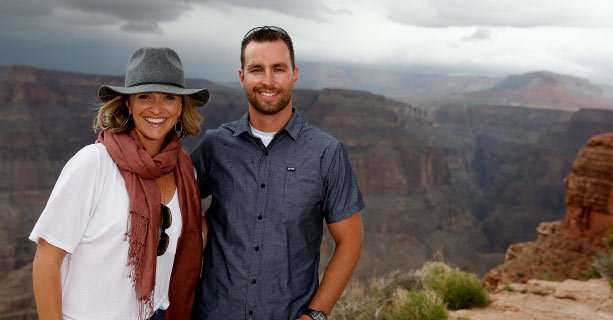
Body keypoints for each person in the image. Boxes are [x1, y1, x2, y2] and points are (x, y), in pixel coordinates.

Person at [190, 26, 365, 320]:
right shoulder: (214, 146)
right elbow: (173, 205)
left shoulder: (326, 153)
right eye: (257, 69)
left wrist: (316, 316)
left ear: (294, 75)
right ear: (242, 76)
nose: (268, 81)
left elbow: (351, 242)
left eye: (278, 69)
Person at [29, 47, 208, 320]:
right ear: (128, 103)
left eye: (169, 97)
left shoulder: (184, 170)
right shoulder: (94, 164)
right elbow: (46, 261)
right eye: (145, 96)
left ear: (181, 106)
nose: (156, 108)